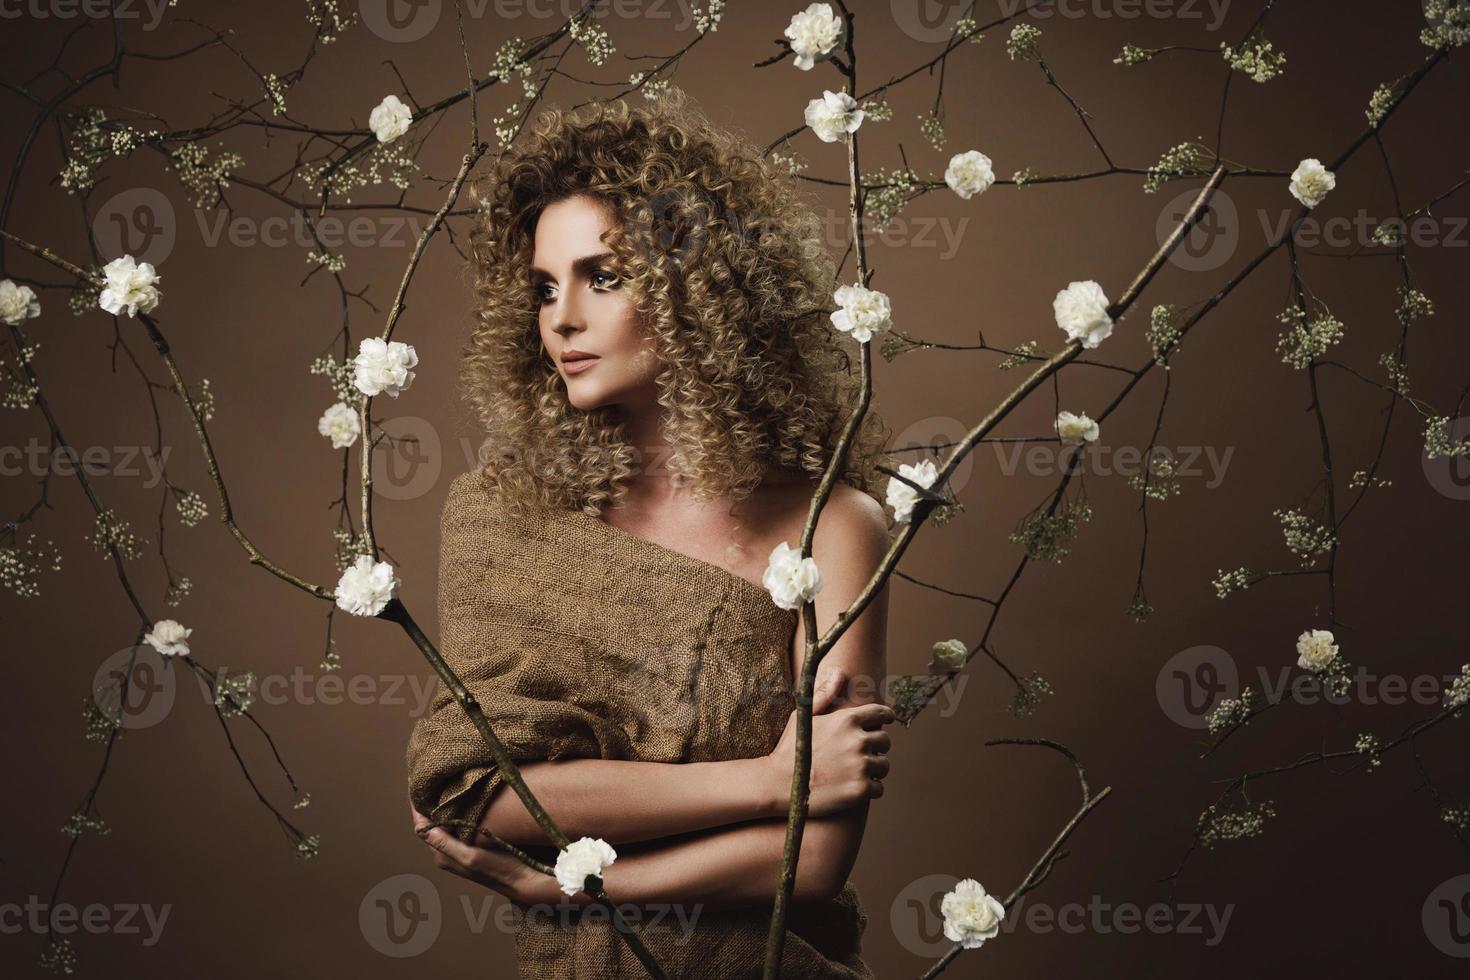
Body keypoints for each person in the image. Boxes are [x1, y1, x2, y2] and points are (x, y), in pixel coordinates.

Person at [407, 88, 895, 978]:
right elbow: (479, 794)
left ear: (700, 290)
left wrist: (574, 886)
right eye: (545, 287)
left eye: (604, 276)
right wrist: (764, 780)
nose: (562, 317)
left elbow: (816, 860)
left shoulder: (835, 525)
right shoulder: (502, 518)